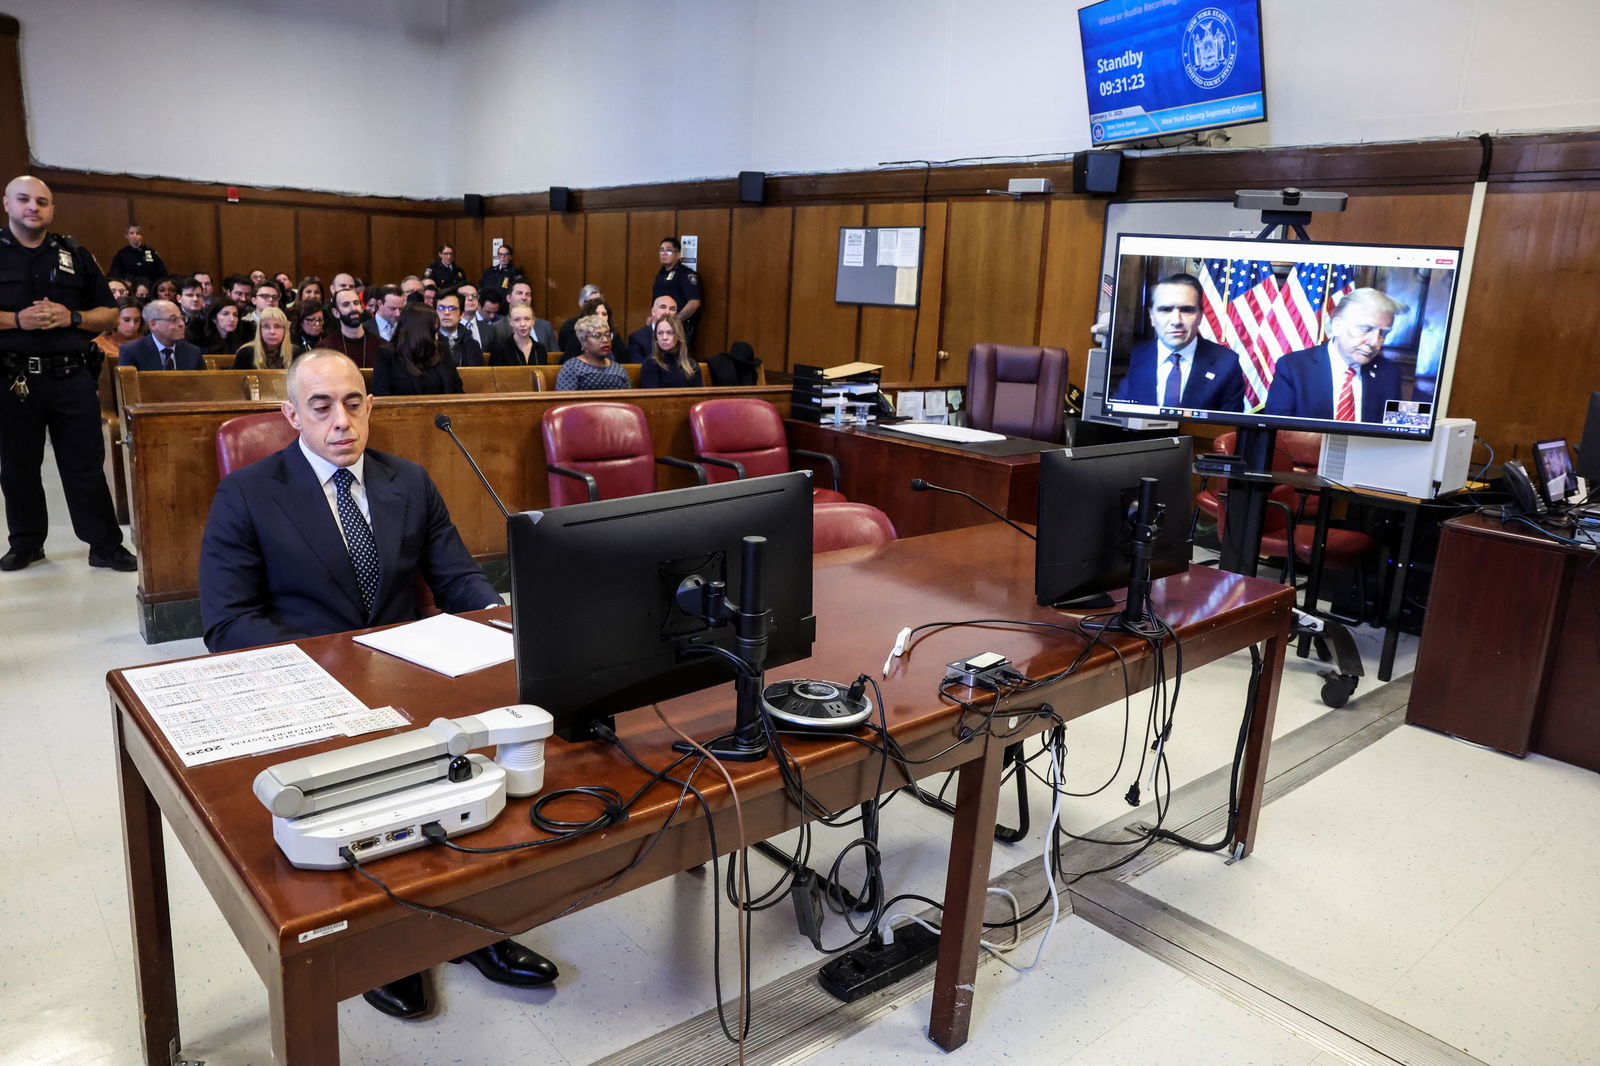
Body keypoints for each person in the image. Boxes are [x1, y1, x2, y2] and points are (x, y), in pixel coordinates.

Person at [197, 349, 559, 1018]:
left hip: (413, 674)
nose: (341, 421)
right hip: (311, 688)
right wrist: (329, 666)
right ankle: (387, 947)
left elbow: (458, 579)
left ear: (371, 406)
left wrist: (502, 623)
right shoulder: (247, 493)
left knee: (469, 789)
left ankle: (473, 925)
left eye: (353, 402)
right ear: (291, 415)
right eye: (321, 407)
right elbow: (227, 622)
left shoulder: (408, 480)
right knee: (372, 817)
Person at [0, 175, 135, 572]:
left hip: (71, 376)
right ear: (7, 204)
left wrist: (72, 316)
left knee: (85, 465)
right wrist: (18, 320)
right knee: (18, 465)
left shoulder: (74, 254)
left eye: (42, 202)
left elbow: (109, 313)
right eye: (23, 199)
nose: (33, 207)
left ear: (52, 209)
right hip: (13, 377)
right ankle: (26, 543)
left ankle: (105, 545)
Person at [1264, 288, 1408, 423]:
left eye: (1383, 333)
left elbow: (1395, 431)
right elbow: (1277, 431)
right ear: (1337, 326)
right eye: (1365, 329)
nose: (1374, 342)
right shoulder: (1293, 368)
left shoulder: (1389, 373)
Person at [1111, 273, 1246, 412]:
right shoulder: (1133, 358)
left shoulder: (1227, 363)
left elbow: (1228, 423)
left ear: (1200, 316)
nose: (1176, 321)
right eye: (1165, 310)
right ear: (1152, 316)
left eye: (1187, 310)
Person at [372, 303, 463, 396]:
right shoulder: (388, 354)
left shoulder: (441, 350)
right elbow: (380, 394)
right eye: (433, 332)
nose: (437, 337)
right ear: (420, 332)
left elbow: (457, 389)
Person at [119, 300, 205, 370]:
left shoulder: (193, 352)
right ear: (153, 324)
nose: (181, 324)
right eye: (173, 319)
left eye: (182, 318)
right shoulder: (132, 351)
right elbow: (129, 385)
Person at [555, 314, 629, 390]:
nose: (605, 340)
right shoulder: (572, 368)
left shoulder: (618, 369)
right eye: (597, 335)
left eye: (607, 335)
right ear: (583, 341)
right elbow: (565, 397)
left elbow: (629, 396)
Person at [319, 287, 386, 368]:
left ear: (362, 307)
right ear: (336, 313)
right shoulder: (326, 348)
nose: (353, 308)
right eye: (346, 305)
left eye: (356, 303)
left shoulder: (381, 346)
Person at [652, 237, 702, 342]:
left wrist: (675, 321)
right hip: (660, 327)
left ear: (678, 255)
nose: (664, 253)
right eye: (661, 250)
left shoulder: (685, 274)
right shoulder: (661, 274)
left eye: (669, 250)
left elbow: (694, 302)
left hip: (679, 327)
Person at [639, 313, 700, 389]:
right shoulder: (650, 364)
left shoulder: (692, 365)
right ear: (656, 337)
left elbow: (699, 394)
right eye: (660, 333)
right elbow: (651, 395)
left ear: (678, 336)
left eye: (670, 333)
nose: (664, 337)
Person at [232, 306, 301, 370]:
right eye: (266, 326)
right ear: (259, 330)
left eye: (277, 326)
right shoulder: (245, 353)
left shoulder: (296, 354)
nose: (272, 331)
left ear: (285, 331)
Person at [434, 290, 482, 367]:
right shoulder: (428, 341)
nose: (446, 312)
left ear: (461, 314)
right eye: (441, 308)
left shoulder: (471, 344)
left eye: (452, 308)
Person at [560, 295, 615, 362]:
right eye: (596, 314)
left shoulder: (614, 338)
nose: (600, 317)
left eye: (604, 314)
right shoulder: (576, 341)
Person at [626, 294, 678, 363]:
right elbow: (637, 367)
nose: (667, 312)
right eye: (663, 307)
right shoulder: (638, 338)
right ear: (653, 311)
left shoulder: (681, 336)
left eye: (672, 309)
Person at [93, 299, 144, 365]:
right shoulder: (98, 345)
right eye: (126, 320)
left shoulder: (149, 344)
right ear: (113, 319)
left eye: (137, 320)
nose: (132, 325)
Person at [556, 283, 601, 358]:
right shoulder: (569, 327)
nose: (595, 306)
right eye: (590, 302)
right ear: (581, 303)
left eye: (598, 302)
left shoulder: (608, 326)